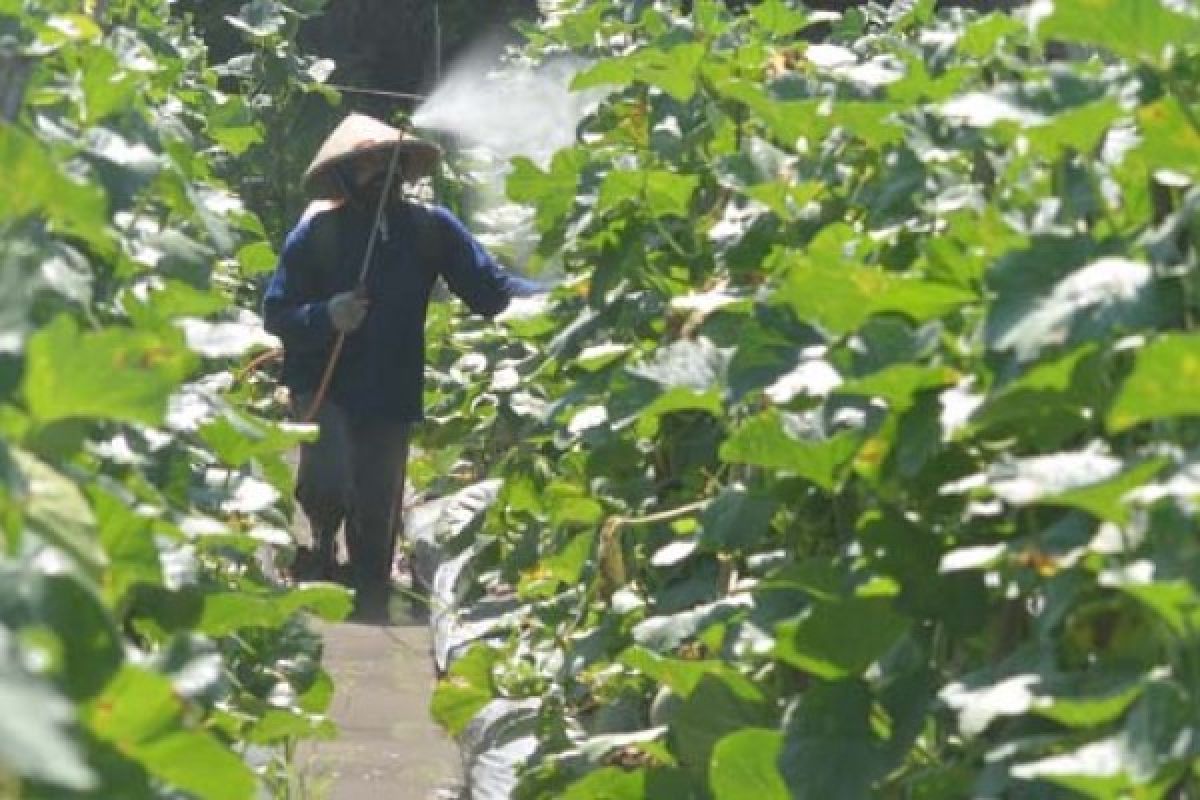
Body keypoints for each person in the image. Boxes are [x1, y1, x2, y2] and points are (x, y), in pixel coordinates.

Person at [262, 113, 540, 622]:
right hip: (327, 384)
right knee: (329, 479)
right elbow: (276, 313)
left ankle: (369, 592)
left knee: (378, 511)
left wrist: (561, 299)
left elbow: (490, 292)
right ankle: (320, 548)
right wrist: (327, 314)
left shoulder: (430, 230)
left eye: (389, 162)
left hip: (391, 386)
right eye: (367, 164)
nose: (381, 173)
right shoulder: (316, 235)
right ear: (343, 177)